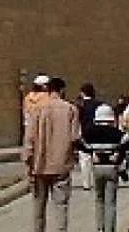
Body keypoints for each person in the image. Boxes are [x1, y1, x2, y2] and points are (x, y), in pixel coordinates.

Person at [24, 77, 81, 232]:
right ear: (62, 90)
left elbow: (29, 138)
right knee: (61, 206)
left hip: (39, 165)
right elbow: (75, 137)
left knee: (38, 207)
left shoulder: (36, 109)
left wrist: (28, 161)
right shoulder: (70, 109)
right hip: (61, 164)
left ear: (48, 90)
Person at [75, 104, 129, 232]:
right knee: (111, 202)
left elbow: (79, 143)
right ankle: (110, 229)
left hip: (97, 168)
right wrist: (118, 152)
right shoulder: (116, 133)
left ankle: (100, 228)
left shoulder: (90, 132)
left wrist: (91, 152)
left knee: (99, 199)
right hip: (112, 167)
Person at [76, 83, 99, 190]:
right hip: (97, 133)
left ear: (82, 93)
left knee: (85, 159)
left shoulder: (80, 106)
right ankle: (97, 182)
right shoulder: (99, 104)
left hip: (85, 133)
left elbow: (77, 121)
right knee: (97, 158)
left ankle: (86, 184)